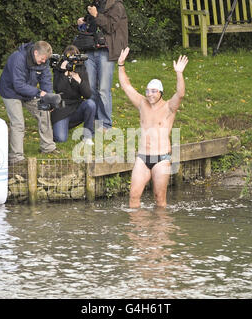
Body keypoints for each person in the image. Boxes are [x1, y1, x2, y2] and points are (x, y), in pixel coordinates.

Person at [118, 47, 188, 208]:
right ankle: (137, 232)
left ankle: (160, 232)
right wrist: (121, 65)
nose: (149, 94)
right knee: (133, 197)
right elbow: (126, 86)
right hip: (142, 158)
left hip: (161, 159)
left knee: (159, 199)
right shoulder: (142, 104)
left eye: (153, 91)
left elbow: (180, 94)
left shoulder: (169, 107)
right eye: (148, 91)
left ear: (161, 92)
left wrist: (179, 73)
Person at [0, 41, 57, 164]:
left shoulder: (43, 61)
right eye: (42, 59)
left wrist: (48, 99)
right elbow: (18, 85)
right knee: (18, 123)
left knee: (44, 111)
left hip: (29, 91)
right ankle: (16, 157)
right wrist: (38, 93)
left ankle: (48, 147)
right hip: (11, 92)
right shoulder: (18, 58)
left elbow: (46, 80)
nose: (43, 62)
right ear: (35, 52)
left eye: (45, 60)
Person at [77, 0, 128, 131]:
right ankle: (93, 121)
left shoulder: (117, 6)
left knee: (103, 90)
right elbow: (92, 23)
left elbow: (111, 26)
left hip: (106, 51)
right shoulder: (96, 3)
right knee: (91, 88)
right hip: (90, 48)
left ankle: (105, 124)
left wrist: (95, 15)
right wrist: (83, 21)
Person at [52, 45, 96, 145]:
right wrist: (64, 72)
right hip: (61, 109)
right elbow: (58, 89)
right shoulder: (58, 69)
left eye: (74, 58)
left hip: (76, 107)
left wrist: (79, 81)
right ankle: (60, 125)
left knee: (90, 104)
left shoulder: (81, 69)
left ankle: (87, 136)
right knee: (60, 138)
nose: (72, 63)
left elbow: (87, 94)